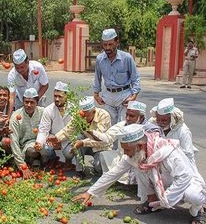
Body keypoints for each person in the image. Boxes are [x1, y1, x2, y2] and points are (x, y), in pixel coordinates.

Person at [72, 124, 206, 224]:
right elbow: (112, 174)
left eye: (127, 149)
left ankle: (198, 210)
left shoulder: (168, 152)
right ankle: (152, 200)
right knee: (139, 167)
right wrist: (90, 192)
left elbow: (184, 177)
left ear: (140, 146)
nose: (124, 153)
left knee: (193, 195)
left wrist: (167, 199)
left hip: (185, 183)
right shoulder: (135, 155)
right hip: (164, 184)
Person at [49, 96, 112, 177]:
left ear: (93, 111)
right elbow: (69, 128)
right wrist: (56, 138)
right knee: (77, 139)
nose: (84, 118)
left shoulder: (104, 116)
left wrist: (83, 141)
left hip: (101, 146)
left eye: (86, 115)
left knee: (99, 167)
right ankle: (79, 170)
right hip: (85, 144)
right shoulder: (79, 115)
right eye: (82, 115)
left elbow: (101, 140)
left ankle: (96, 164)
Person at [93, 28, 141, 126]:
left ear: (117, 42)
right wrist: (96, 94)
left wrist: (134, 95)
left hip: (124, 96)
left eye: (110, 44)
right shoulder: (100, 59)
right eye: (105, 45)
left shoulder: (126, 58)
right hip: (108, 96)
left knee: (123, 126)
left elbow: (135, 78)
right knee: (109, 127)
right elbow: (97, 77)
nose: (107, 48)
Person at [9, 88, 53, 179]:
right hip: (25, 146)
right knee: (32, 150)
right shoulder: (16, 116)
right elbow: (14, 141)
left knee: (49, 150)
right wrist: (22, 166)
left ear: (37, 102)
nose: (29, 105)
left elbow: (48, 130)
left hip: (41, 142)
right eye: (26, 102)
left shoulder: (43, 112)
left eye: (32, 102)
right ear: (23, 102)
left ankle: (45, 160)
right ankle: (33, 160)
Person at [35, 81, 75, 170]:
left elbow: (74, 129)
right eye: (55, 96)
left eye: (60, 96)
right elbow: (43, 130)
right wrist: (39, 143)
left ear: (66, 96)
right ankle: (53, 159)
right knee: (44, 148)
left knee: (69, 153)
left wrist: (59, 138)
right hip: (52, 139)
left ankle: (69, 161)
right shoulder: (48, 110)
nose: (57, 99)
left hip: (69, 139)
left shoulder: (74, 109)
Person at [149, 98, 197, 164]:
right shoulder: (152, 124)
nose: (160, 123)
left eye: (164, 120)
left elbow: (189, 157)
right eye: (158, 119)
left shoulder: (183, 131)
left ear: (172, 119)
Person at [7, 49, 49, 114]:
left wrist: (36, 100)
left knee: (39, 121)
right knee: (20, 121)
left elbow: (45, 85)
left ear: (28, 62)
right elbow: (12, 97)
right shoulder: (12, 75)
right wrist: (8, 117)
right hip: (21, 101)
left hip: (38, 98)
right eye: (17, 68)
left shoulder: (38, 67)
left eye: (22, 67)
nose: (20, 70)